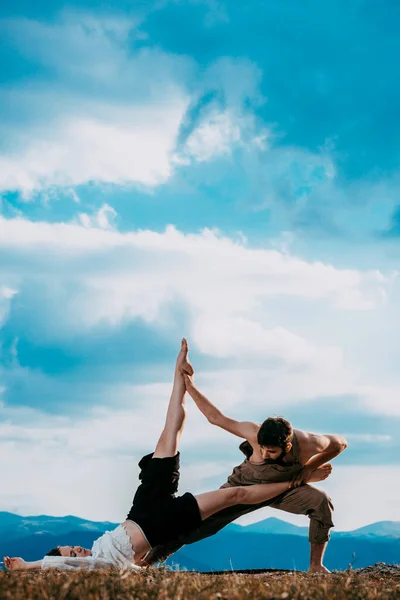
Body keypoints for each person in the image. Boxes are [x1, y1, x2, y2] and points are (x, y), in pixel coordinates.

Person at [3, 339, 330, 573]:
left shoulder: (100, 554)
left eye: (70, 548)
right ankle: (289, 486)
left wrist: (182, 378)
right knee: (236, 495)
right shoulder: (101, 566)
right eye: (71, 555)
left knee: (169, 433)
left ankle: (177, 376)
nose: (77, 551)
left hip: (140, 509)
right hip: (158, 523)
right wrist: (28, 566)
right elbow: (80, 565)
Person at [144, 369, 347, 574]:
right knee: (198, 522)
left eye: (272, 451)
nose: (265, 454)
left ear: (287, 446)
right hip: (242, 486)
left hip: (284, 489)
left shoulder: (309, 443)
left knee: (321, 502)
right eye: (262, 449)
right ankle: (147, 561)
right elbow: (216, 417)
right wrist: (190, 387)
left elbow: (340, 444)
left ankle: (315, 566)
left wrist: (309, 468)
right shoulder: (253, 431)